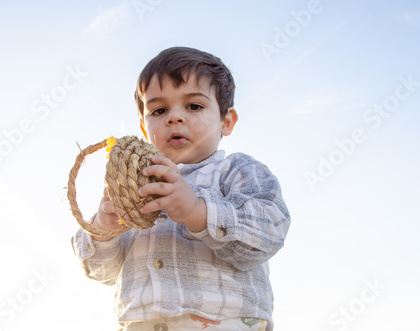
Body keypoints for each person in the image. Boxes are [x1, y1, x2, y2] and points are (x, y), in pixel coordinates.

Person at [71, 46, 290, 331]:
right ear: (144, 127)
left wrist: (196, 210)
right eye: (159, 110)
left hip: (226, 322)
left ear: (226, 121)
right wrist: (105, 224)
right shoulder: (135, 187)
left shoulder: (237, 171)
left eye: (194, 106)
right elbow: (100, 271)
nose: (174, 117)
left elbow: (269, 231)